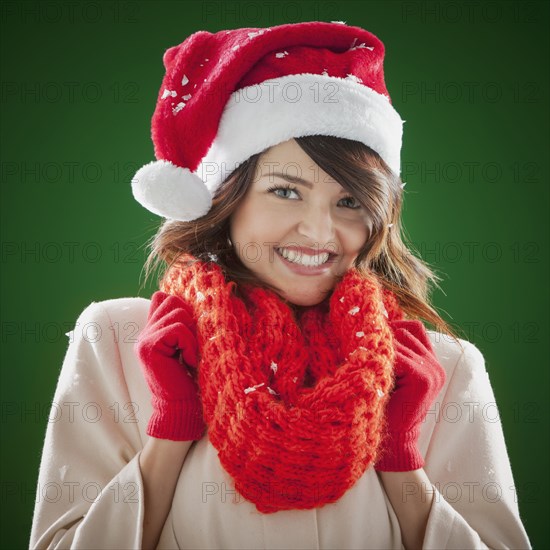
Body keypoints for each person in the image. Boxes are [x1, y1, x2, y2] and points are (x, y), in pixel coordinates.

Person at [29, 21, 531, 549]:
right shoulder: (120, 340)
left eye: (350, 202)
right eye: (286, 192)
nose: (319, 232)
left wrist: (401, 460)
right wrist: (169, 433)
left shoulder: (442, 369)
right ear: (228, 197)